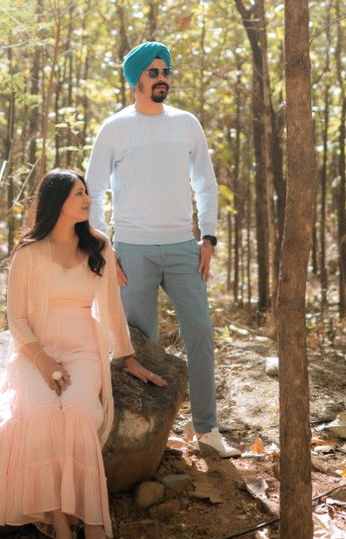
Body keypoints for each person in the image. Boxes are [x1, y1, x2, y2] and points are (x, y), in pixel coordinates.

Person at [0, 168, 165, 539]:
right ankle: (62, 531)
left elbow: (112, 309)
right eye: (79, 193)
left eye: (87, 193)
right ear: (57, 200)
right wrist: (42, 360)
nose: (87, 200)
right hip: (34, 353)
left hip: (83, 352)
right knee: (41, 413)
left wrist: (128, 357)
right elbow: (16, 318)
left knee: (78, 413)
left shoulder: (99, 247)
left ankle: (94, 526)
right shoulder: (28, 253)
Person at [84, 41, 237, 457]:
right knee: (139, 342)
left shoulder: (186, 124)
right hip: (131, 250)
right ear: (135, 80)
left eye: (166, 70)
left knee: (200, 333)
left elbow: (206, 184)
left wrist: (208, 237)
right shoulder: (115, 128)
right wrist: (105, 246)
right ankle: (145, 436)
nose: (162, 77)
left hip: (183, 247)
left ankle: (206, 430)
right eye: (153, 72)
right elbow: (93, 192)